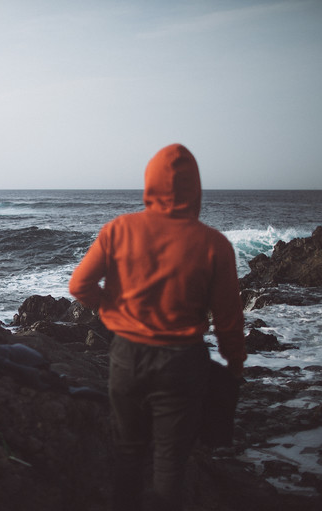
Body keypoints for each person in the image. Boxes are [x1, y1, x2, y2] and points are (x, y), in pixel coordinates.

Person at [68, 144, 246, 511]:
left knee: (128, 452)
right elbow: (228, 319)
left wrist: (111, 308)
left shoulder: (118, 230)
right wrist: (235, 362)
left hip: (127, 357)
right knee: (169, 461)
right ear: (195, 187)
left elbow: (79, 287)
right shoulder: (214, 244)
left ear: (149, 182)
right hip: (182, 363)